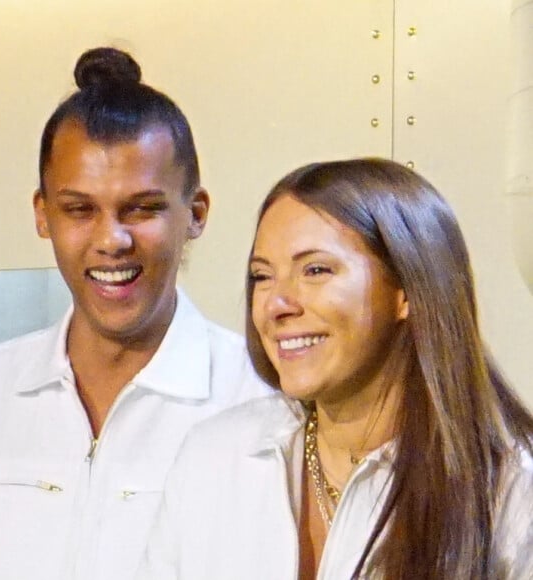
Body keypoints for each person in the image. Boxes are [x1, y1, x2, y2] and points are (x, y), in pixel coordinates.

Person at [0, 47, 269, 580]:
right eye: (79, 209)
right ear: (43, 215)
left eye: (141, 208)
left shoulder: (265, 405)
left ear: (195, 215)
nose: (111, 240)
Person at [138, 158, 533, 579]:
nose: (276, 304)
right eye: (262, 276)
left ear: (407, 291)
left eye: (315, 270)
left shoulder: (510, 492)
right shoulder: (213, 457)